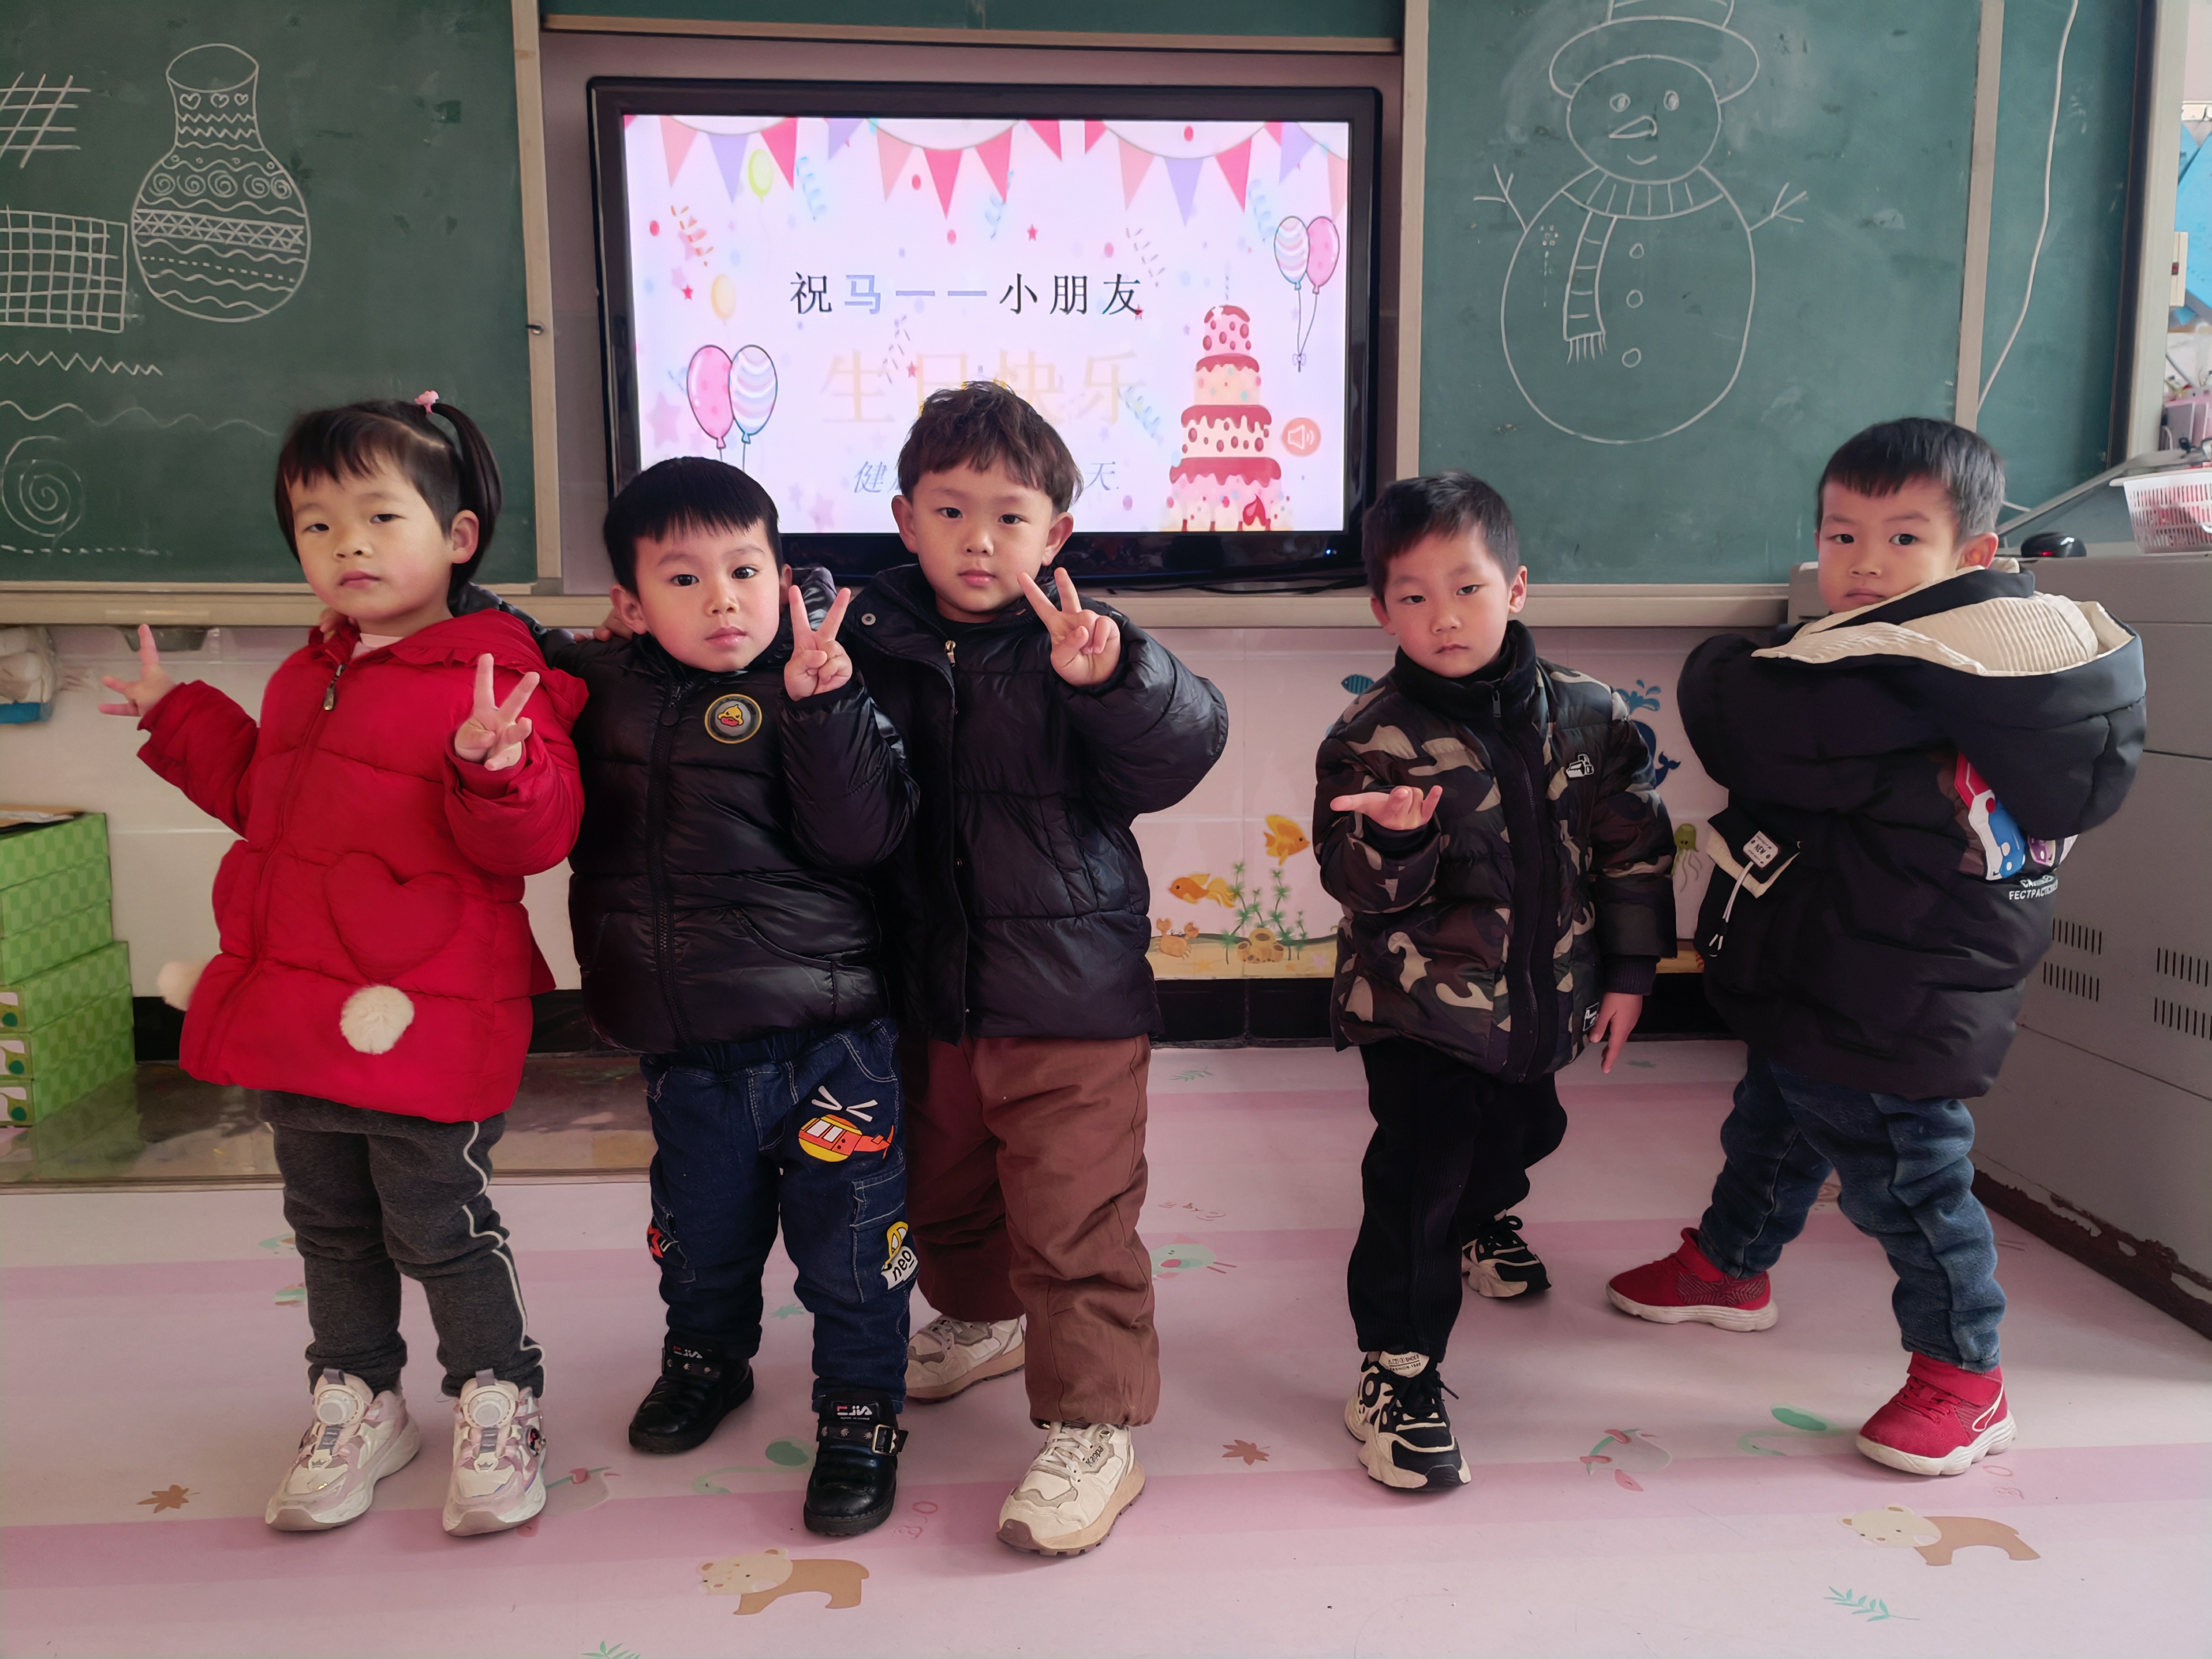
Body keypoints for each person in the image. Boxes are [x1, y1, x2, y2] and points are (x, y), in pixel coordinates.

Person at [1606, 418, 2145, 1476]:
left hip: (1895, 984)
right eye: (1840, 535)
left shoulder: (1908, 677)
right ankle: (1729, 1266)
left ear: (1972, 557)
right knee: (1774, 1114)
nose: (1863, 563)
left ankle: (1965, 1376)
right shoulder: (1952, 669)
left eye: (1902, 539)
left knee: (1908, 1181)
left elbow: (1736, 705)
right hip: (1839, 955)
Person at [99, 394, 584, 1536]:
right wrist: (178, 715)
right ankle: (359, 1396)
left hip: (427, 1021)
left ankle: (498, 1398)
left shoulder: (496, 680)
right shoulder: (302, 674)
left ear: (458, 537)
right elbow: (264, 800)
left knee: (440, 1223)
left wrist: (495, 766)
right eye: (317, 525)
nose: (347, 545)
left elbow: (537, 835)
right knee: (327, 1226)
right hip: (299, 1013)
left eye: (379, 516)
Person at [844, 382, 1228, 1556]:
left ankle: (1093, 1426)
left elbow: (1183, 749)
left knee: (1074, 1217)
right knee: (942, 1193)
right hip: (926, 990)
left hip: (1071, 999)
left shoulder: (1084, 641)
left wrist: (1112, 679)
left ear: (1054, 534)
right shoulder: (861, 636)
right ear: (904, 519)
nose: (979, 540)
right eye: (950, 511)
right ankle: (982, 1322)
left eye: (1008, 516)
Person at [539, 457, 919, 1537]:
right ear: (629, 605)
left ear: (782, 576)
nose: (722, 600)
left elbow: (867, 834)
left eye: (745, 570)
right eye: (683, 578)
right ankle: (707, 1359)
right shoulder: (598, 685)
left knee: (853, 1250)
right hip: (685, 1048)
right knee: (696, 1236)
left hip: (830, 1045)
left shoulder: (824, 681)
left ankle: (859, 1412)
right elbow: (489, 634)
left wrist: (823, 707)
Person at [1316, 471, 1676, 1491]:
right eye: (1414, 596)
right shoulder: (1370, 737)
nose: (1444, 617)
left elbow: (1634, 852)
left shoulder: (1593, 714)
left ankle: (1483, 1218)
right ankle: (1396, 1370)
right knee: (1417, 1184)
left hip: (1543, 1004)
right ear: (1382, 610)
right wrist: (1396, 841)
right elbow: (1356, 885)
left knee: (1525, 1135)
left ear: (1515, 588)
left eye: (1467, 588)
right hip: (1418, 1014)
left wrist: (1631, 973)